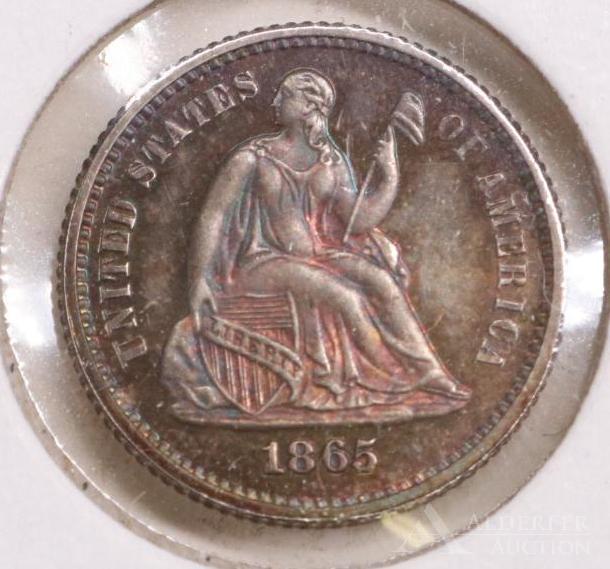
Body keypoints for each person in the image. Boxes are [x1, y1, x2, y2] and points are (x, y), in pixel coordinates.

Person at [162, 68, 471, 421]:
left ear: (308, 106)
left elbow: (359, 220)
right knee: (345, 297)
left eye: (285, 95)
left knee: (383, 282)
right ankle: (393, 381)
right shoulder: (251, 158)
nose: (275, 101)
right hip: (261, 263)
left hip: (319, 254)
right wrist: (199, 281)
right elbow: (213, 216)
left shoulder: (331, 161)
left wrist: (389, 175)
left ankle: (429, 373)